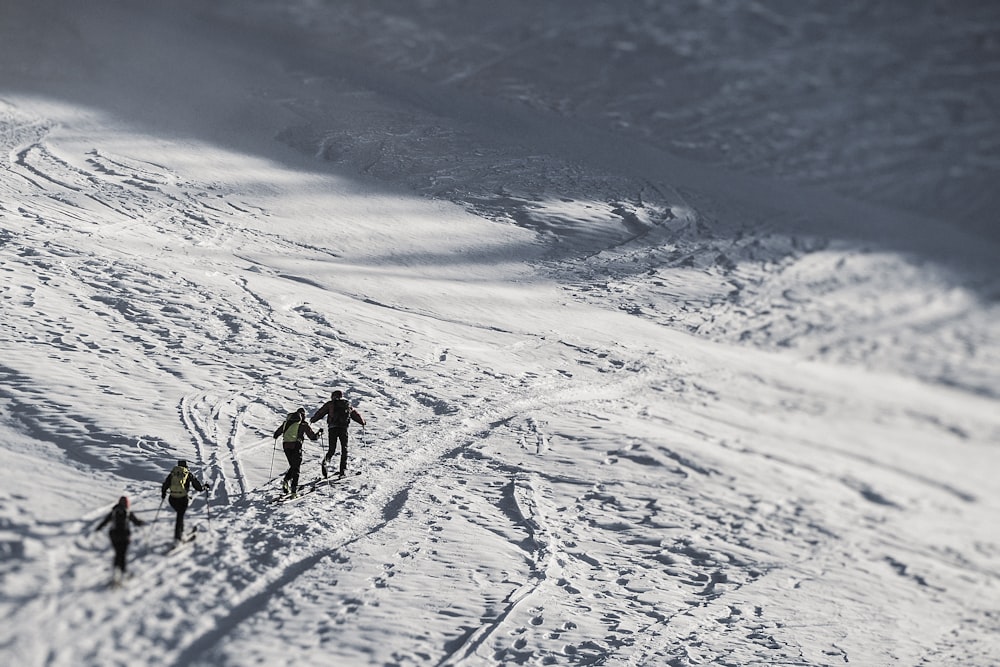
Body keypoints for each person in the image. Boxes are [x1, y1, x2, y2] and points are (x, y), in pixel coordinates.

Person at [311, 390, 365, 478]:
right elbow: (355, 414)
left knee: (332, 449)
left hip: (332, 428)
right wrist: (362, 422)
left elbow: (321, 412)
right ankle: (342, 471)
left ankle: (326, 462)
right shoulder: (347, 404)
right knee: (344, 449)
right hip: (343, 429)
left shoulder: (330, 404)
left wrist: (313, 420)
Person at [95, 495, 144, 584]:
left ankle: (116, 573)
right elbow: (136, 522)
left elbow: (106, 521)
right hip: (124, 536)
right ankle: (123, 573)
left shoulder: (114, 511)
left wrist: (98, 528)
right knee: (122, 555)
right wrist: (142, 523)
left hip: (113, 535)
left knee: (117, 554)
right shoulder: (128, 512)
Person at [273, 408, 321, 496]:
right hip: (296, 446)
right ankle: (294, 490)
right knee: (296, 468)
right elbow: (313, 437)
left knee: (293, 466)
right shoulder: (303, 425)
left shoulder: (286, 423)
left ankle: (286, 481)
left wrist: (277, 435)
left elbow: (276, 434)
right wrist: (319, 433)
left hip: (286, 446)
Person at [161, 459, 204, 543]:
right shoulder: (187, 473)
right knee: (180, 517)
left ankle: (181, 533)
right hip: (182, 498)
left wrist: (163, 494)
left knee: (180, 516)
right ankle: (178, 538)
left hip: (172, 498)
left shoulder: (173, 473)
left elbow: (165, 484)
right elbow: (198, 487)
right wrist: (204, 487)